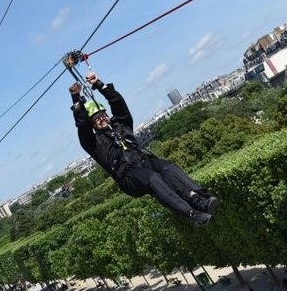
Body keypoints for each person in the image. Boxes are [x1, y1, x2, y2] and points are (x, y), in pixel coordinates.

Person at [68, 71, 218, 226]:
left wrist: (99, 85)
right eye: (96, 119)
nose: (101, 119)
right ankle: (192, 214)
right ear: (92, 124)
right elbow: (82, 126)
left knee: (167, 168)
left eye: (102, 115)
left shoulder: (121, 125)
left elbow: (118, 103)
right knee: (152, 178)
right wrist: (76, 99)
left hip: (144, 161)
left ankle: (199, 199)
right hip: (128, 176)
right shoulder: (94, 143)